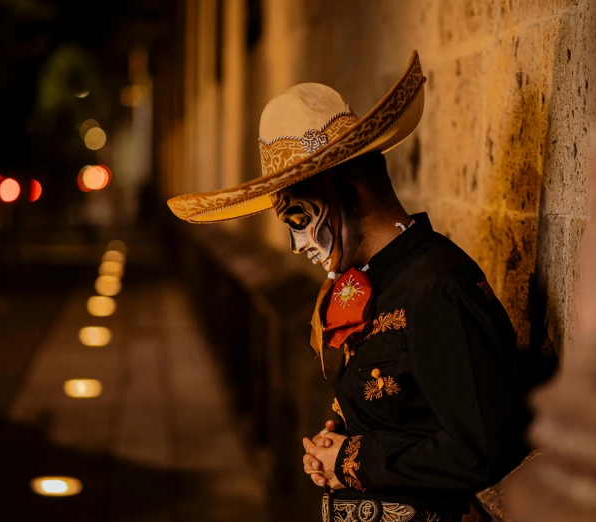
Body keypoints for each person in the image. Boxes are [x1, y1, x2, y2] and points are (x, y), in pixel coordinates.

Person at [167, 51, 527, 522]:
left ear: (354, 195)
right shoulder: (377, 280)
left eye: (299, 219)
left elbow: (481, 449)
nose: (296, 245)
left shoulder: (435, 290)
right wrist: (338, 437)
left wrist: (352, 461)